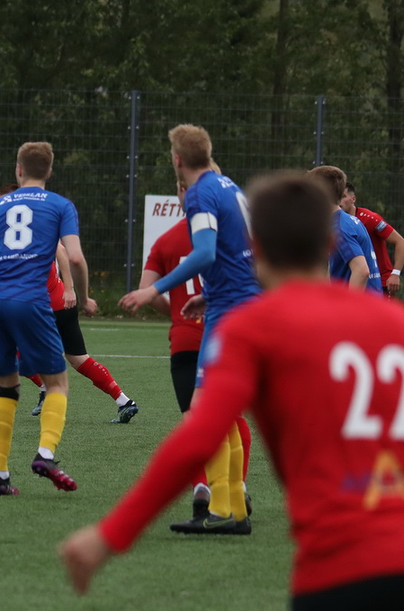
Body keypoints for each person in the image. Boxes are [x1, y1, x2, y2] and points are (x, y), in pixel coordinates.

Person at [60, 173, 404, 609]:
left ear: (256, 245)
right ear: (329, 242)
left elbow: (198, 437)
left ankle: (226, 504)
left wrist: (111, 534)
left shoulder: (256, 329)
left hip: (337, 569)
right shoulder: (393, 323)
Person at [119, 124, 260, 534]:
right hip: (238, 304)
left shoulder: (199, 192)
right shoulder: (229, 186)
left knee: (204, 411)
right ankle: (235, 511)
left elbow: (206, 253)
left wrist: (154, 290)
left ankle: (222, 511)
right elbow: (243, 253)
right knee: (223, 412)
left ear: (177, 160)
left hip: (231, 313)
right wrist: (210, 295)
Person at [0, 142, 91, 497]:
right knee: (57, 383)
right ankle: (45, 455)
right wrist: (83, 298)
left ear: (18, 170)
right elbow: (75, 258)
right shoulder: (60, 205)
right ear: (49, 171)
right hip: (31, 300)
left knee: (7, 387)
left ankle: (0, 475)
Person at [138, 178, 252, 520]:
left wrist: (176, 311)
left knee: (195, 420)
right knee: (232, 417)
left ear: (180, 192)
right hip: (225, 332)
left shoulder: (166, 240)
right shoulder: (231, 234)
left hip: (187, 339)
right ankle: (238, 487)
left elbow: (147, 290)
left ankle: (203, 486)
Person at [0, 183, 139, 422]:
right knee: (79, 359)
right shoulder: (25, 225)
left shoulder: (22, 228)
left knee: (9, 350)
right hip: (59, 303)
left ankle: (46, 391)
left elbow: (62, 252)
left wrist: (70, 288)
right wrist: (70, 291)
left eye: (1, 200)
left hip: (41, 307)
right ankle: (124, 401)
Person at [308, 166, 382, 293]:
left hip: (362, 304)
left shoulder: (339, 228)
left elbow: (361, 271)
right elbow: (334, 269)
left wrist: (349, 304)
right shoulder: (346, 221)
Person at [340, 181, 404, 295]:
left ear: (353, 199)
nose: (339, 201)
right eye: (336, 197)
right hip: (356, 281)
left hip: (380, 282)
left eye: (343, 196)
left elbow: (400, 241)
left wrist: (395, 273)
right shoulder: (337, 222)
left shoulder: (370, 219)